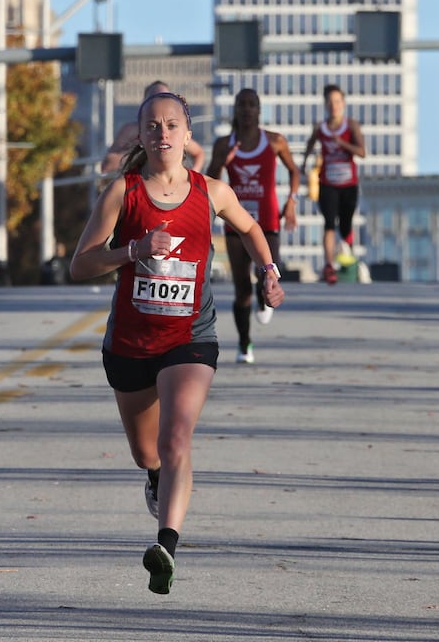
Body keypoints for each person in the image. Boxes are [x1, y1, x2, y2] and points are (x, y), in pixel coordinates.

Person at [69, 90, 285, 596]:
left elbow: (252, 228)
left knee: (177, 438)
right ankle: (155, 478)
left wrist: (269, 271)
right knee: (149, 453)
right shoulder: (122, 194)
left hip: (190, 339)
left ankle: (166, 546)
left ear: (188, 137)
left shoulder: (211, 191)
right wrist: (133, 250)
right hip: (129, 343)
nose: (162, 134)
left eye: (172, 126)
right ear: (141, 136)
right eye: (153, 126)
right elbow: (80, 264)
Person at [205, 87, 300, 364]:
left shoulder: (274, 142)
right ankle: (245, 344)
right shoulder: (225, 144)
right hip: (236, 221)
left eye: (252, 105)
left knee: (267, 273)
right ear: (235, 110)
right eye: (241, 105)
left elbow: (295, 170)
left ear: (259, 111)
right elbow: (210, 181)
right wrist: (225, 161)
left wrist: (291, 201)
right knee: (241, 287)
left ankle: (264, 298)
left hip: (267, 220)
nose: (246, 110)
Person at [301, 84, 365, 284]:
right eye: (330, 102)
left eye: (337, 102)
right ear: (325, 104)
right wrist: (303, 166)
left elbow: (362, 152)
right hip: (327, 183)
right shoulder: (320, 127)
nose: (333, 106)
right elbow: (310, 145)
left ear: (343, 104)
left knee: (345, 225)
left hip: (348, 184)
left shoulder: (351, 125)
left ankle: (347, 256)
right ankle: (329, 265)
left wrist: (342, 143)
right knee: (329, 223)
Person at [101, 80, 205, 177]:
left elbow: (199, 153)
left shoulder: (174, 133)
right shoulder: (131, 130)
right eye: (155, 98)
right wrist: (143, 154)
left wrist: (191, 177)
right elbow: (107, 165)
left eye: (165, 97)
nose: (163, 134)